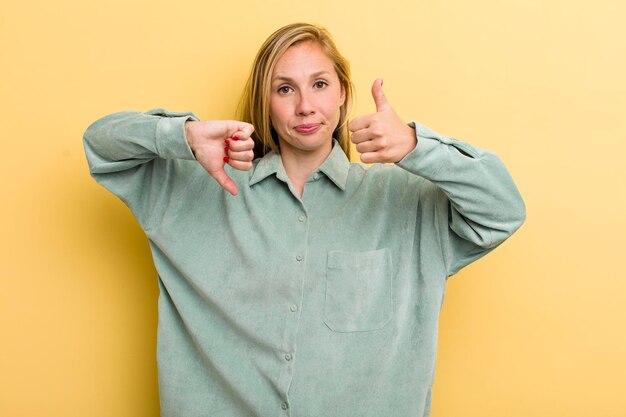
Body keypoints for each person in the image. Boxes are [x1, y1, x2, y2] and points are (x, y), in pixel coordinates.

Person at [84, 22, 525, 417]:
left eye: (318, 84)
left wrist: (416, 144)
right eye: (285, 89)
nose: (305, 107)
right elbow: (102, 148)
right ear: (267, 102)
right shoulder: (195, 192)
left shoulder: (405, 202)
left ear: (343, 95)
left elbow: (502, 210)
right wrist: (181, 135)